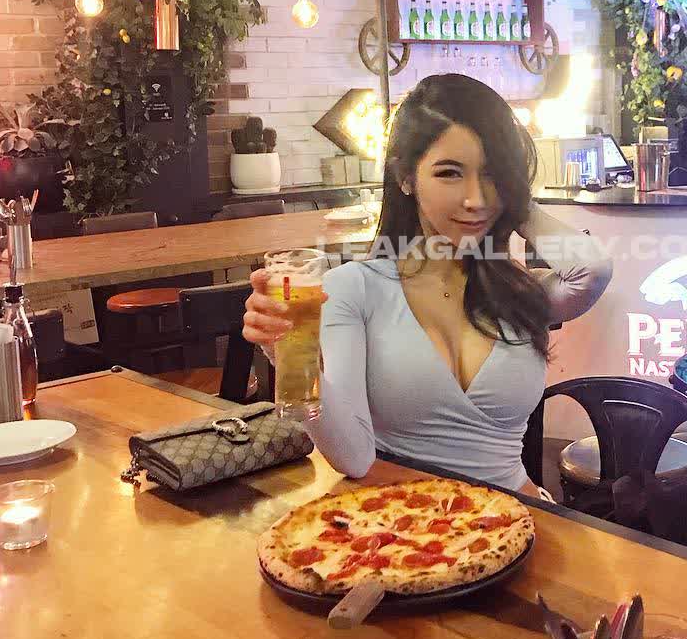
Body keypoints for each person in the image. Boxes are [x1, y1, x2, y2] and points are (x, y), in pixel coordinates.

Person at [243, 74, 612, 494]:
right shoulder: (355, 289)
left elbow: (593, 269)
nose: (476, 199)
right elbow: (354, 457)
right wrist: (287, 352)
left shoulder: (520, 291)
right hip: (411, 520)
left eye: (492, 174)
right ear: (405, 177)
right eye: (450, 173)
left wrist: (516, 203)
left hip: (520, 516)